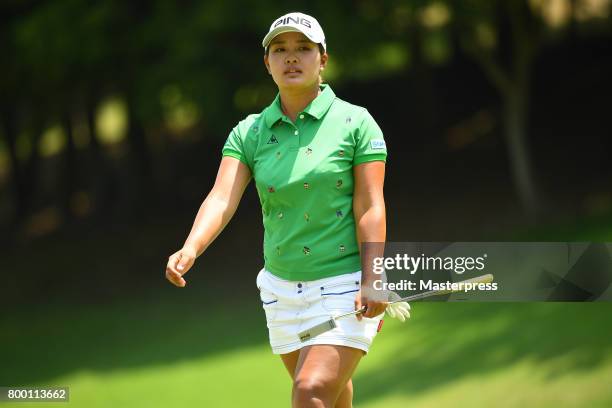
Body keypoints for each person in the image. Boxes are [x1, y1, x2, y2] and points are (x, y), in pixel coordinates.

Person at [165, 12, 410, 408]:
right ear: (267, 63)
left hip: (345, 286)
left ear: (323, 59)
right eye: (280, 50)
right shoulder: (250, 132)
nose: (291, 58)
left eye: (303, 49)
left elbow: (370, 205)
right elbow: (222, 198)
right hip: (281, 292)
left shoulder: (356, 123)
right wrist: (191, 247)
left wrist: (374, 276)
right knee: (331, 396)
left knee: (310, 391)